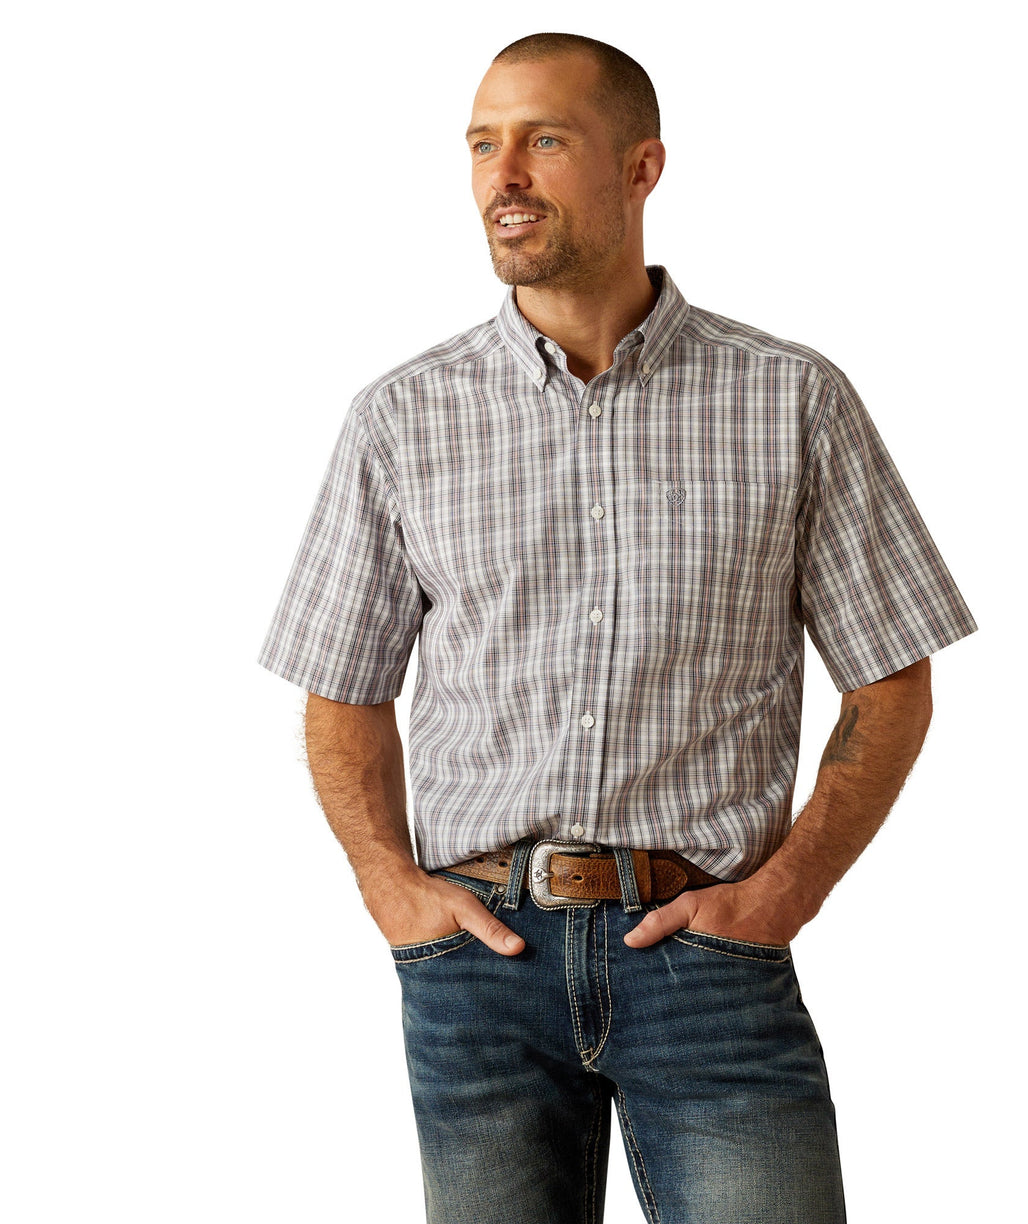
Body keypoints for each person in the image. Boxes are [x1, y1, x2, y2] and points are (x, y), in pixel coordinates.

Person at [257, 30, 978, 1224]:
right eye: (483, 144)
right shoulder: (403, 416)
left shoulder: (790, 398)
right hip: (478, 970)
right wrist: (393, 889)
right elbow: (341, 690)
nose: (505, 175)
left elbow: (892, 679)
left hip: (709, 960)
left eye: (544, 139)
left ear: (642, 167)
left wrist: (783, 895)